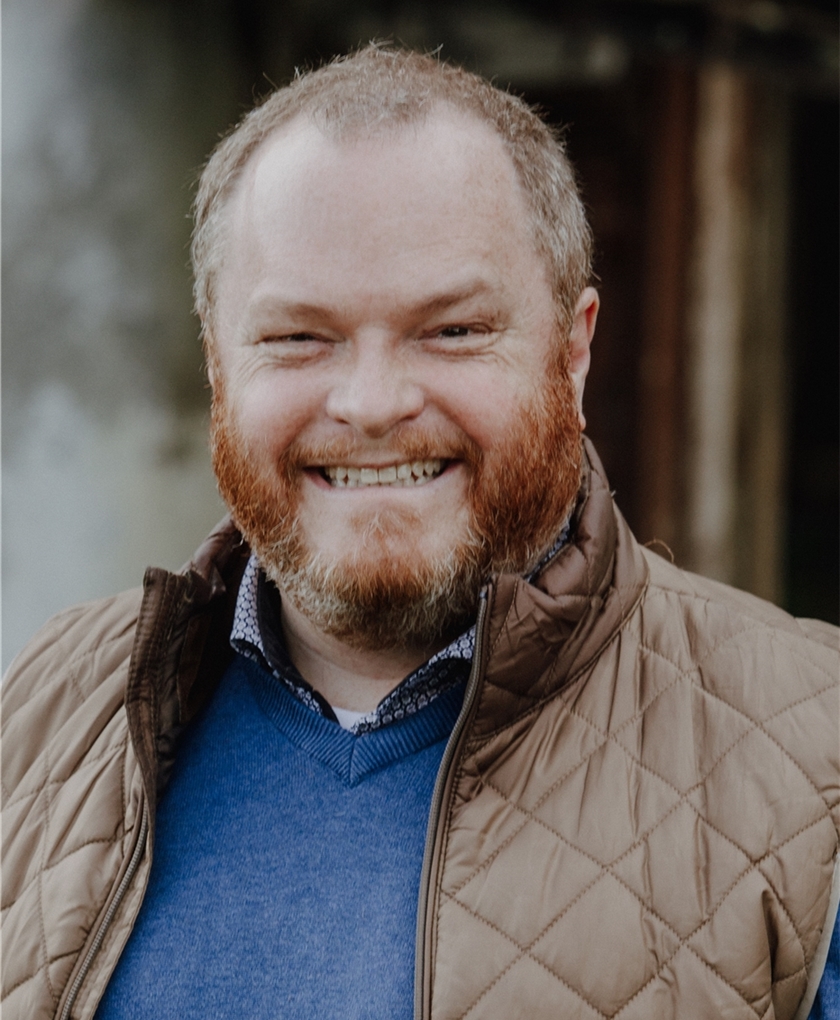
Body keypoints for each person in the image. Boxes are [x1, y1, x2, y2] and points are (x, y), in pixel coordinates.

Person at [2, 45, 838, 1020]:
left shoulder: (815, 757)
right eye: (297, 338)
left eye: (452, 331)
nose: (371, 403)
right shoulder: (45, 708)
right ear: (219, 365)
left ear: (573, 351)